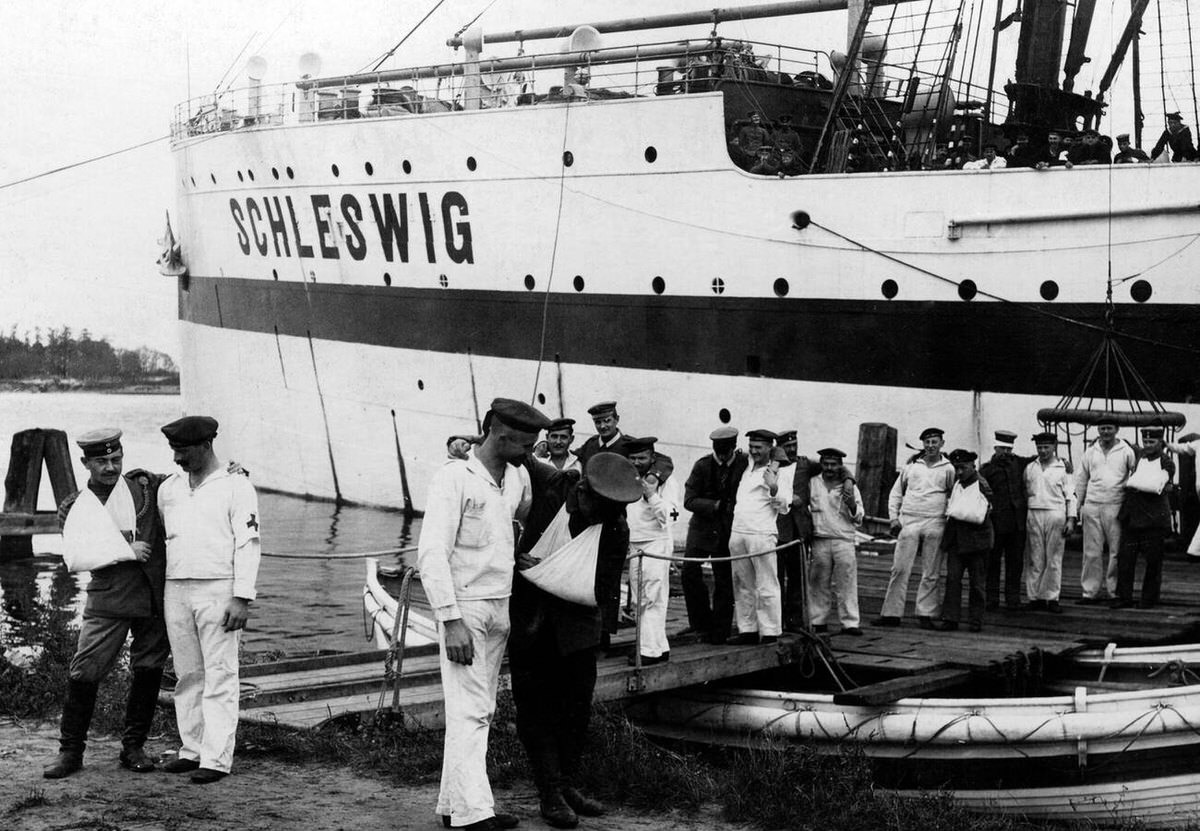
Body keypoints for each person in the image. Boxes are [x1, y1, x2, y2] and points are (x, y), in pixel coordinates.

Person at [416, 398, 548, 830]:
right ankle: (475, 814)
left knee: (479, 709)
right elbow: (432, 554)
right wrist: (450, 620)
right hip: (465, 609)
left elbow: (522, 513)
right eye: (525, 443)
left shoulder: (516, 478)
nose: (531, 451)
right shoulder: (453, 478)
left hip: (500, 603)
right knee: (470, 710)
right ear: (501, 435)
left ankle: (454, 807)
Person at [511, 452, 640, 829]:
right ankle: (549, 792)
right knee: (536, 711)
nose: (606, 516)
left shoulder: (615, 526)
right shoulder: (553, 487)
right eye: (600, 506)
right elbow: (519, 452)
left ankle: (567, 785)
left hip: (578, 631)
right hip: (533, 626)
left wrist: (549, 572)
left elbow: (599, 588)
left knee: (575, 712)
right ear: (583, 490)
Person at [43, 429, 168, 779]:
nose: (111, 467)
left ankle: (134, 747)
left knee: (148, 668)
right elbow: (79, 554)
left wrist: (228, 474)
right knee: (85, 669)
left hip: (154, 596)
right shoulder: (75, 506)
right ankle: (70, 752)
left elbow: (189, 483)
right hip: (109, 598)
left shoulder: (145, 486)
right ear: (86, 463)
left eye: (116, 459)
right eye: (101, 461)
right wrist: (125, 551)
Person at [156, 415, 260, 784]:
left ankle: (216, 759)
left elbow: (248, 543)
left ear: (205, 446)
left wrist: (242, 597)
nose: (177, 459)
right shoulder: (168, 489)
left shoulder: (236, 486)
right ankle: (192, 748)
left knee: (220, 674)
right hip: (177, 589)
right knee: (188, 675)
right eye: (174, 451)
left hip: (219, 590)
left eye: (183, 451)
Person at [875, 428, 955, 628]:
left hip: (935, 521)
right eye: (927, 442)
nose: (930, 446)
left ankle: (926, 614)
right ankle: (891, 614)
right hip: (909, 520)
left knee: (931, 571)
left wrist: (948, 520)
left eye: (934, 442)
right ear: (923, 444)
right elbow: (896, 493)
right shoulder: (911, 466)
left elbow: (954, 496)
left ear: (942, 443)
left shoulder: (949, 469)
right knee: (900, 568)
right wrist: (894, 518)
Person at [682, 426, 748, 644]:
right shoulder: (701, 466)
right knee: (689, 573)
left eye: (726, 449)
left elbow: (773, 456)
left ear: (734, 447)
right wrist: (715, 505)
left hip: (726, 532)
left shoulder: (744, 463)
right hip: (701, 530)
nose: (721, 453)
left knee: (724, 580)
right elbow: (689, 500)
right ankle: (700, 622)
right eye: (717, 448)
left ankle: (720, 629)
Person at [727, 429, 792, 645]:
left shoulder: (779, 471)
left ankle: (771, 631)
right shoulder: (747, 465)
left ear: (769, 448)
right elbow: (780, 451)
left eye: (759, 448)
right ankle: (748, 629)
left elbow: (784, 507)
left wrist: (773, 487)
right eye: (752, 447)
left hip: (761, 533)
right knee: (742, 583)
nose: (754, 451)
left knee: (766, 583)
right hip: (739, 531)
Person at [624, 436, 681, 665]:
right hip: (636, 544)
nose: (637, 462)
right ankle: (659, 646)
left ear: (652, 457)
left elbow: (670, 516)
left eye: (642, 457)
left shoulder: (667, 482)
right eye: (633, 458)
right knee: (640, 600)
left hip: (656, 543)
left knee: (653, 597)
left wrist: (652, 496)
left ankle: (648, 651)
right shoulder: (630, 477)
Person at [1112, 427, 1176, 609]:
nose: (1148, 445)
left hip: (1153, 518)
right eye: (1145, 442)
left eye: (1152, 442)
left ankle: (1149, 598)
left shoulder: (1166, 462)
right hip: (1132, 516)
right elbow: (1125, 445)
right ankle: (1123, 596)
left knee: (1153, 561)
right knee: (1125, 559)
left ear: (1160, 442)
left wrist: (1134, 483)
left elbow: (1159, 484)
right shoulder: (1139, 456)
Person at [1076, 415, 1136, 604]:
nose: (1105, 432)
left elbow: (1135, 476)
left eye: (1109, 428)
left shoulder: (1126, 451)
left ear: (1117, 429)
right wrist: (1078, 507)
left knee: (1116, 551)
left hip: (1115, 505)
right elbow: (1081, 478)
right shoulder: (1090, 451)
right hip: (1092, 505)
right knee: (1091, 551)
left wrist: (1129, 506)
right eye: (1102, 428)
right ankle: (1089, 592)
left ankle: (1114, 592)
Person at [934, 449, 994, 632]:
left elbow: (984, 511)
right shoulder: (957, 484)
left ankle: (976, 621)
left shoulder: (982, 485)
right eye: (957, 468)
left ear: (972, 466)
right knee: (952, 580)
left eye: (963, 468)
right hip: (957, 541)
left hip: (977, 542)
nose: (959, 472)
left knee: (977, 584)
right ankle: (951, 618)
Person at [806, 448, 864, 636]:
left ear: (841, 466)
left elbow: (860, 517)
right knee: (818, 582)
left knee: (846, 582)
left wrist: (852, 504)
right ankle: (818, 620)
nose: (829, 468)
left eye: (834, 464)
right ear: (821, 464)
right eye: (826, 464)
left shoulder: (850, 486)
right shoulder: (813, 483)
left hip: (843, 540)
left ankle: (850, 622)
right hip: (820, 539)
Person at [1023, 432, 1077, 613]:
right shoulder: (1031, 467)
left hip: (1055, 514)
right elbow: (1025, 490)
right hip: (1034, 512)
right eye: (1039, 447)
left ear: (1054, 446)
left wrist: (1071, 519)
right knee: (1034, 558)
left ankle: (1052, 597)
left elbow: (1071, 496)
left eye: (1046, 447)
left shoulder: (1064, 468)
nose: (1043, 451)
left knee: (1053, 558)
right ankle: (1035, 597)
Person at [979, 430, 1030, 611]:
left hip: (1017, 524)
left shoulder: (1020, 463)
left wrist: (1062, 462)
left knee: (1015, 562)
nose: (1006, 453)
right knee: (993, 562)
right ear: (995, 448)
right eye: (1003, 449)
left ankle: (1013, 599)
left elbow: (1037, 460)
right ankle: (991, 599)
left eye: (1009, 449)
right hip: (996, 523)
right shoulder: (986, 470)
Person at [774, 430, 815, 632]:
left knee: (797, 577)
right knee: (776, 576)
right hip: (777, 530)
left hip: (799, 531)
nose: (791, 449)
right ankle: (777, 619)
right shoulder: (771, 466)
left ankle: (795, 621)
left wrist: (850, 480)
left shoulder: (805, 464)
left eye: (794, 445)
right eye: (787, 446)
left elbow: (834, 465)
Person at [575, 401, 629, 468]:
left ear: (617, 419)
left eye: (607, 421)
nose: (602, 426)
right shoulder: (590, 445)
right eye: (598, 422)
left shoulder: (629, 446)